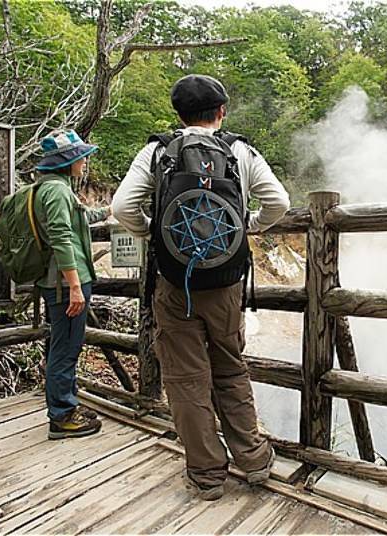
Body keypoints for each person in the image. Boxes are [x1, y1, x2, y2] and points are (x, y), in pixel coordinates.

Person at [112, 74, 290, 500]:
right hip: (226, 281)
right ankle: (255, 460)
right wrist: (246, 227)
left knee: (186, 377)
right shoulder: (240, 150)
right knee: (229, 367)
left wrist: (154, 232)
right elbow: (279, 203)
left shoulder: (157, 151)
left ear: (177, 114)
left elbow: (122, 207)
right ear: (221, 112)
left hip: (175, 284)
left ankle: (208, 475)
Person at [34, 130, 110, 440]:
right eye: (82, 156)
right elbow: (61, 238)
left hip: (59, 282)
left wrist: (108, 212)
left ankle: (67, 406)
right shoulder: (56, 191)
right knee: (66, 349)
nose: (86, 161)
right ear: (69, 161)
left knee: (63, 345)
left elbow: (78, 218)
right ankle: (63, 417)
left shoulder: (54, 187)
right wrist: (75, 286)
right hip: (64, 285)